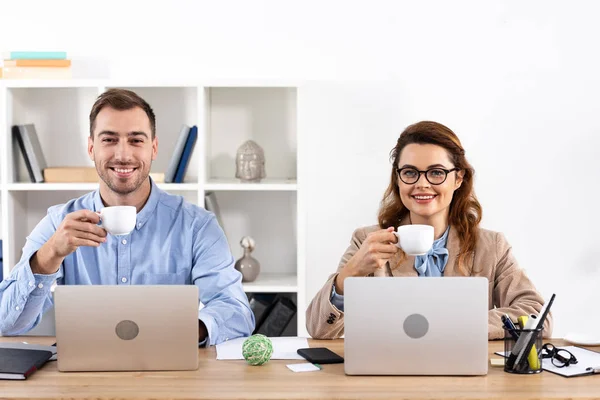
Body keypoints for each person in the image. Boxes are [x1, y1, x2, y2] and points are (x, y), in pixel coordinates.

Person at [0, 88, 255, 345]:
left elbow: (237, 313)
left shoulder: (197, 227)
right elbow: (7, 324)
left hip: (169, 375)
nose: (123, 155)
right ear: (91, 147)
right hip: (81, 379)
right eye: (109, 140)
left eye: (136, 140)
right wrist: (49, 255)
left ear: (153, 148)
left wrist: (182, 330)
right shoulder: (59, 223)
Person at [306, 121, 552, 340]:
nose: (421, 184)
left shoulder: (491, 246)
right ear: (398, 179)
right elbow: (319, 330)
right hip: (390, 373)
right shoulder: (367, 242)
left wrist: (454, 324)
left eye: (436, 172)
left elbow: (537, 315)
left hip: (465, 377)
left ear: (458, 179)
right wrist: (349, 274)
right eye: (410, 173)